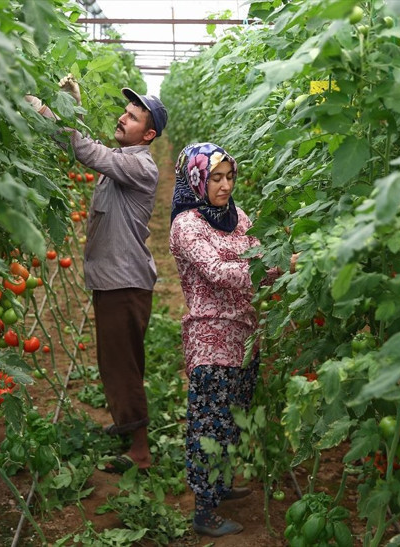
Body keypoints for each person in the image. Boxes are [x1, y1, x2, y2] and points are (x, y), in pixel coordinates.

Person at [27, 77, 168, 474]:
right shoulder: (124, 160)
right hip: (116, 281)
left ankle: (139, 451)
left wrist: (44, 112)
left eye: (133, 117)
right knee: (117, 361)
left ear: (149, 134)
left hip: (124, 284)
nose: (123, 119)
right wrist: (70, 106)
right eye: (125, 112)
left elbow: (88, 152)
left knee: (122, 365)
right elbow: (98, 150)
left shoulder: (139, 165)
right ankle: (128, 427)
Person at [169, 143, 297, 537]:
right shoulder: (186, 225)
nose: (225, 186)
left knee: (232, 419)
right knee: (210, 424)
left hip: (245, 334)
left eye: (229, 177)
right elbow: (218, 271)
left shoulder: (237, 216)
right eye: (216, 178)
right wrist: (276, 266)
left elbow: (259, 249)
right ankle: (203, 511)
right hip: (210, 337)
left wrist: (286, 255)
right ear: (197, 180)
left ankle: (220, 487)